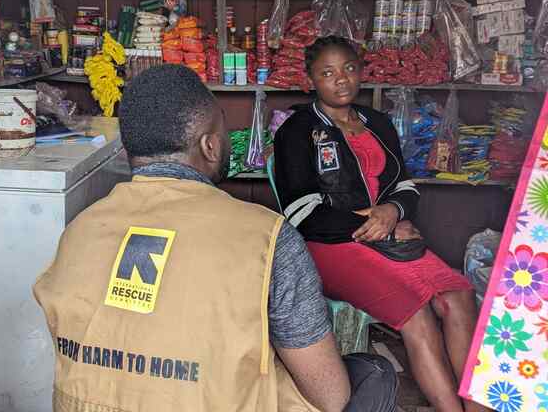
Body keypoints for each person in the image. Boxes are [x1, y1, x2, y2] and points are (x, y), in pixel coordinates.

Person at [34, 64, 397, 412]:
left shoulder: (80, 229)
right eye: (223, 129)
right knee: (374, 376)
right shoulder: (266, 238)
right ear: (210, 146)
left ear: (130, 151)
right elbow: (330, 396)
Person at [273, 36, 487, 412]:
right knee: (416, 314)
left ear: (361, 72)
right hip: (331, 246)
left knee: (459, 295)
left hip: (388, 238)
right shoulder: (297, 131)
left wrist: (394, 212)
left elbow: (404, 187)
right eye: (327, 73)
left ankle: (479, 407)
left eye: (349, 69)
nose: (341, 80)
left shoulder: (379, 123)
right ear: (311, 80)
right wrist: (380, 221)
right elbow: (302, 214)